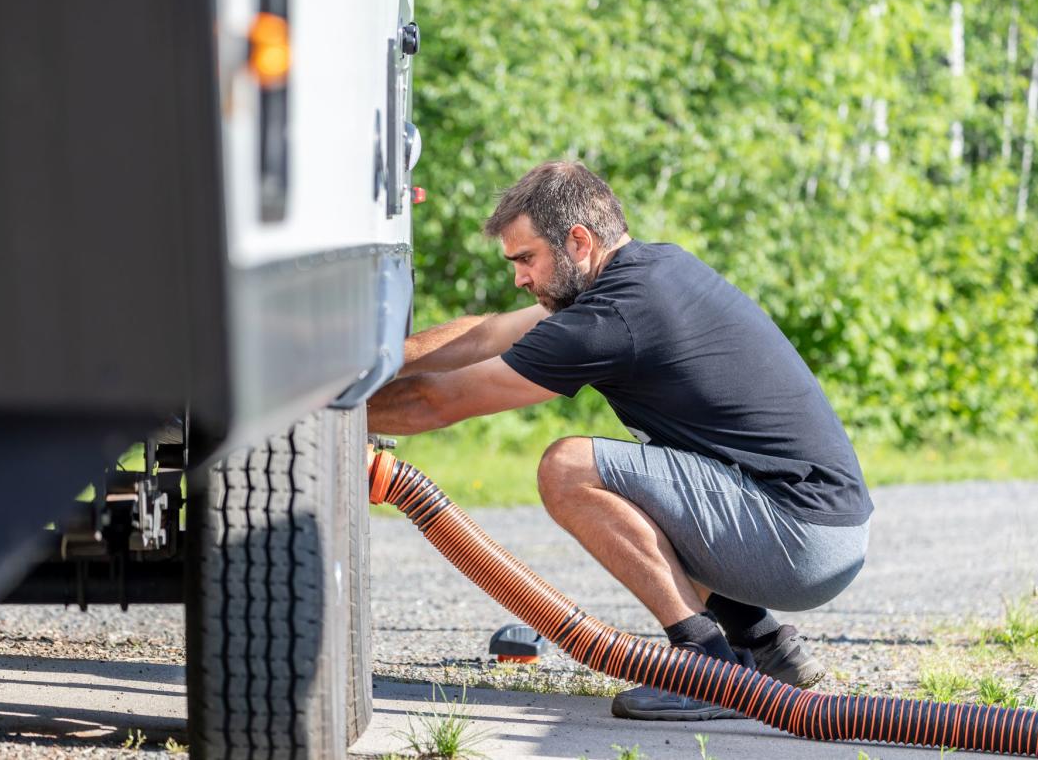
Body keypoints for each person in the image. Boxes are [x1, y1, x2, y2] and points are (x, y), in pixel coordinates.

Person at [365, 160, 872, 721]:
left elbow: (436, 402)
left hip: (801, 537)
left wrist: (325, 411)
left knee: (569, 466)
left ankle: (705, 668)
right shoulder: (651, 270)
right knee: (647, 478)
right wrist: (378, 359)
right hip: (819, 525)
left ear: (578, 241)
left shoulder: (614, 317)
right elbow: (486, 333)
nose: (520, 278)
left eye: (526, 259)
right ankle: (769, 648)